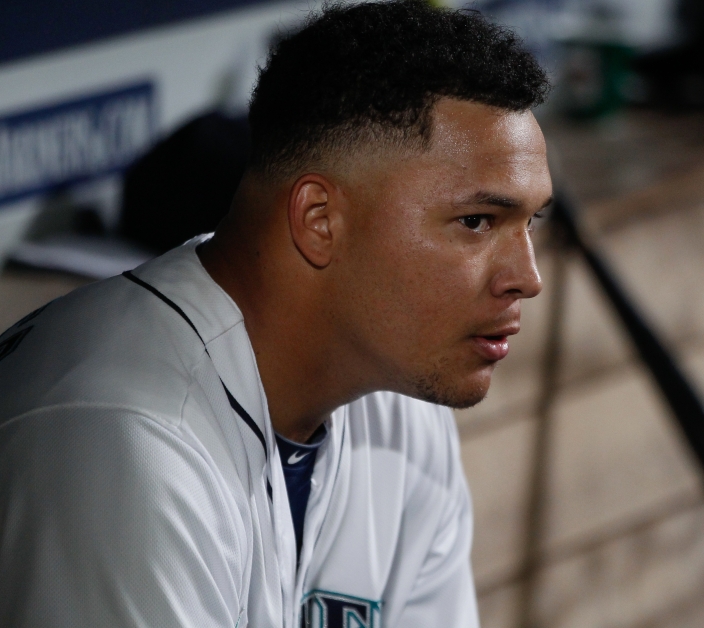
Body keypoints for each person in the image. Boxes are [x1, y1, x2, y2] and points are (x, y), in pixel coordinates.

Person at [0, 2, 551, 626]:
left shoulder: (401, 406)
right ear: (320, 220)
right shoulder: (121, 437)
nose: (527, 279)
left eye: (529, 222)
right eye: (476, 222)